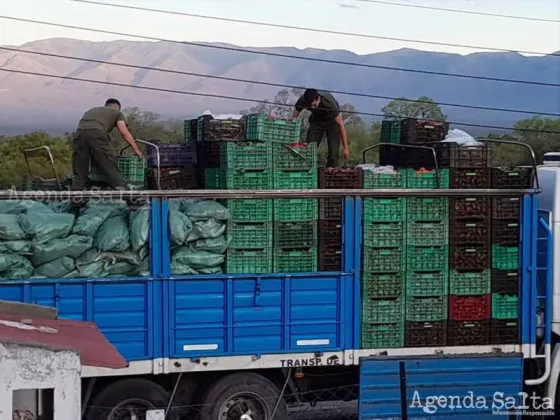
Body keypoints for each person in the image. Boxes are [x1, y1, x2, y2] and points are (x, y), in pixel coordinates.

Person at [71, 98, 143, 191]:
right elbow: (124, 132)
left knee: (79, 171)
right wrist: (137, 150)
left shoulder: (92, 110)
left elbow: (85, 129)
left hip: (79, 135)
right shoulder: (117, 113)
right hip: (97, 134)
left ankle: (76, 200)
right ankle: (127, 196)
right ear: (117, 108)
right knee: (110, 167)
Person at [291, 89, 349, 167]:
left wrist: (346, 147)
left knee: (333, 153)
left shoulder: (329, 103)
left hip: (332, 121)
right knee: (310, 149)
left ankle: (330, 172)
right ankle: (308, 171)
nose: (312, 107)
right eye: (309, 106)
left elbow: (341, 125)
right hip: (316, 120)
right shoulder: (302, 100)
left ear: (317, 99)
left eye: (314, 105)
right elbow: (293, 117)